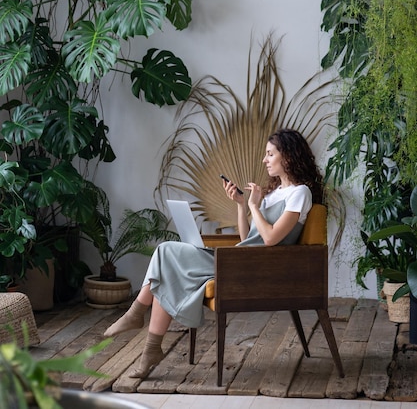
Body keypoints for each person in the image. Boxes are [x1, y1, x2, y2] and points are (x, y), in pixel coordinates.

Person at [103, 128, 323, 379]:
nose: (265, 160)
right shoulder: (274, 195)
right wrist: (242, 206)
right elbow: (248, 239)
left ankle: (136, 316)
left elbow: (271, 239)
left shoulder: (300, 193)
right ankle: (150, 347)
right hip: (244, 257)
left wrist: (254, 206)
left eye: (270, 154)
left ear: (288, 156)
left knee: (166, 252)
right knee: (168, 262)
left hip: (256, 268)